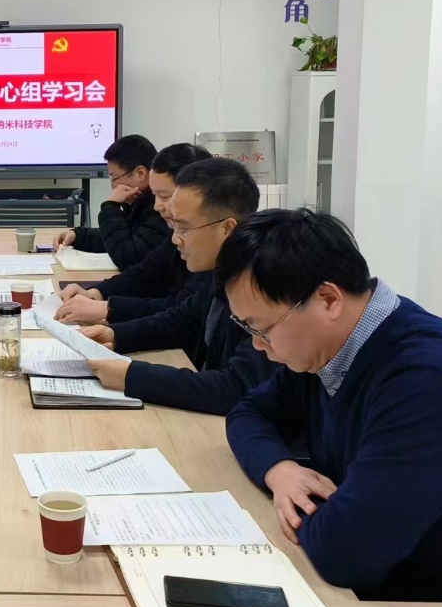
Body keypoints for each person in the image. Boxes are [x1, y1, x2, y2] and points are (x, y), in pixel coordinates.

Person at [222, 209, 442, 604]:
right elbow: (247, 413)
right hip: (396, 583)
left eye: (262, 328)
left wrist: (306, 508)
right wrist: (280, 471)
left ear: (328, 300)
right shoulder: (327, 349)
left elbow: (346, 550)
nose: (257, 345)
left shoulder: (426, 381)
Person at [79, 157, 279, 415]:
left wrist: (131, 376)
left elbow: (234, 389)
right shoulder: (220, 268)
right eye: (173, 225)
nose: (175, 239)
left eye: (183, 228)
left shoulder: (265, 284)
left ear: (227, 228)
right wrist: (116, 336)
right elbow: (183, 321)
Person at [56, 143, 213, 325]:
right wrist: (96, 293)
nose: (157, 206)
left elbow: (182, 313)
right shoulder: (172, 225)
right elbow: (147, 270)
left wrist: (107, 309)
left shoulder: (213, 251)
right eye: (155, 195)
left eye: (164, 196)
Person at [53, 134, 164, 270]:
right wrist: (77, 236)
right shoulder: (140, 201)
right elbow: (118, 238)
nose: (113, 186)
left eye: (115, 178)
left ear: (140, 173)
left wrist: (111, 207)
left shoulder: (161, 208)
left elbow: (127, 258)